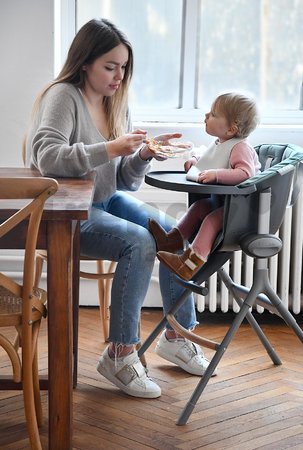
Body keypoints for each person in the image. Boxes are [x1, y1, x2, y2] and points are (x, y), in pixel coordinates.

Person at [25, 18, 213, 399]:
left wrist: (142, 155)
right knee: (140, 242)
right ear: (85, 63)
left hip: (104, 198)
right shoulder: (63, 96)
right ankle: (120, 353)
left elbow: (122, 181)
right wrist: (111, 148)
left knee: (172, 231)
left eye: (123, 67)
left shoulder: (115, 102)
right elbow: (47, 157)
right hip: (64, 210)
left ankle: (177, 335)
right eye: (110, 66)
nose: (119, 75)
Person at [149, 92, 260, 281]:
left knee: (210, 220)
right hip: (224, 204)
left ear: (231, 129)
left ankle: (189, 264)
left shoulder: (240, 147)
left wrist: (216, 175)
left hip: (240, 212)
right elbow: (209, 159)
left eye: (214, 114)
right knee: (199, 207)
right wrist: (195, 162)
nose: (206, 116)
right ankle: (171, 241)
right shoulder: (221, 143)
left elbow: (245, 174)